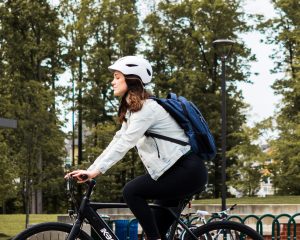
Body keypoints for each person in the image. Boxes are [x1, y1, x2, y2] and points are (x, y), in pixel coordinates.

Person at [65, 56, 208, 240]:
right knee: (154, 231)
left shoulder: (147, 109)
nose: (112, 81)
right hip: (173, 173)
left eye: (117, 77)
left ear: (131, 79)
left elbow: (125, 144)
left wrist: (95, 172)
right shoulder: (134, 111)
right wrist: (91, 170)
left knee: (131, 191)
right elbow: (118, 140)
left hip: (187, 172)